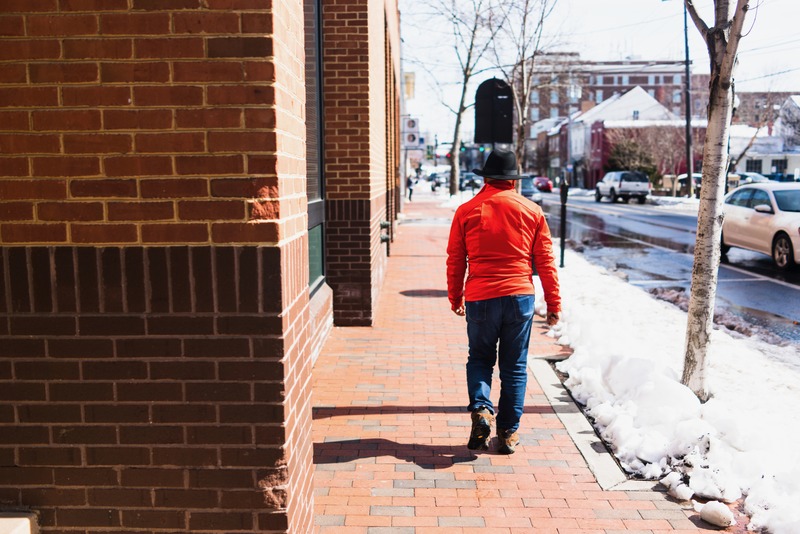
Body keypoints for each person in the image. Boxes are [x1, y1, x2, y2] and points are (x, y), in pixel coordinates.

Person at [446, 149, 561, 454]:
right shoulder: (532, 211)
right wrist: (553, 304)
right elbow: (546, 261)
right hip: (518, 297)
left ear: (485, 178)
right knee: (514, 366)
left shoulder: (467, 210)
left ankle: (482, 410)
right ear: (513, 180)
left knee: (481, 358)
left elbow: (456, 259)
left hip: (481, 297)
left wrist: (455, 295)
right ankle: (508, 432)